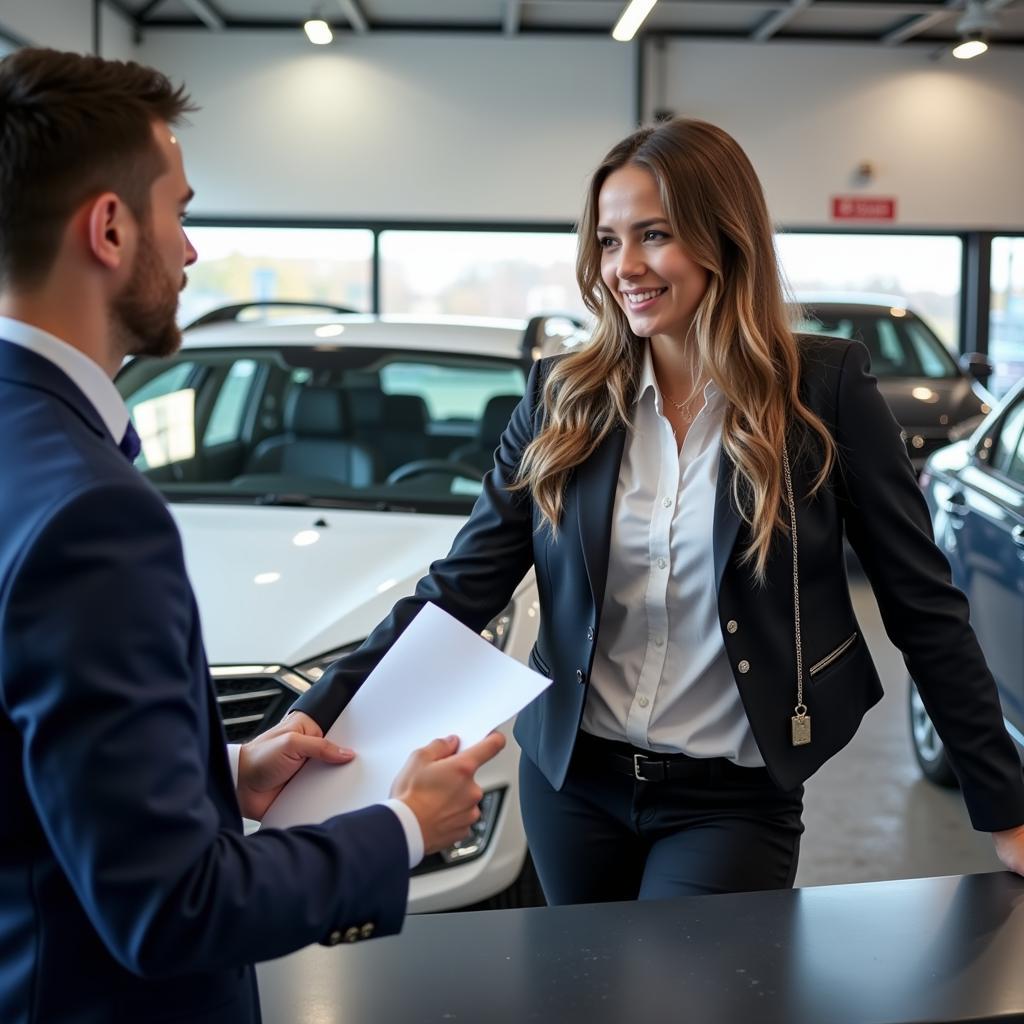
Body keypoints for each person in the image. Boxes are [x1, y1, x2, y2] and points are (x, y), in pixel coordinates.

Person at [289, 117, 1024, 905]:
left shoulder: (823, 391)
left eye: (654, 235)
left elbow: (923, 605)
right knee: (585, 1000)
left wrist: (1005, 805)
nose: (623, 267)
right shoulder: (561, 396)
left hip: (733, 798)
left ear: (722, 238)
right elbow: (462, 585)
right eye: (607, 240)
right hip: (573, 782)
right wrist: (316, 710)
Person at [0, 47, 504, 1024]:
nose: (189, 250)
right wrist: (405, 824)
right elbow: (172, 909)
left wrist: (226, 771)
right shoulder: (93, 515)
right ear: (109, 227)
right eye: (179, 212)